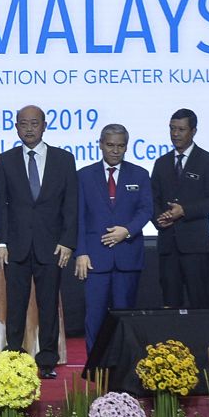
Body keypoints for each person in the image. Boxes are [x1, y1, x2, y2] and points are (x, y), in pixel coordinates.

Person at [0, 105, 77, 379]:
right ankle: (15, 357)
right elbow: (0, 205)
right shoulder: (6, 160)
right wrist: (2, 242)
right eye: (23, 124)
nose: (29, 129)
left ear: (44, 125)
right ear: (16, 127)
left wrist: (67, 241)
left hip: (51, 246)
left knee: (49, 305)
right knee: (15, 305)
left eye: (34, 123)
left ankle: (47, 359)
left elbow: (71, 205)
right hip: (16, 246)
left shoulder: (63, 159)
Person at [74, 124, 152, 353]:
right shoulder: (84, 175)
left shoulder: (140, 174)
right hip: (95, 259)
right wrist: (81, 252)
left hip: (127, 257)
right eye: (110, 145)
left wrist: (126, 231)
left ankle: (124, 367)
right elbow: (78, 217)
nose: (115, 150)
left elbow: (147, 210)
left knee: (126, 317)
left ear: (127, 146)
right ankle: (96, 367)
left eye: (120, 146)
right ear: (100, 144)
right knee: (95, 318)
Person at [151, 108, 209, 308]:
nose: (175, 134)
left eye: (181, 129)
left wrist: (184, 210)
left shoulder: (208, 161)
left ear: (193, 131)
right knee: (170, 300)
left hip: (194, 245)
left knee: (199, 299)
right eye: (172, 129)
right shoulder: (161, 163)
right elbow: (152, 198)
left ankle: (202, 339)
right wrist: (159, 218)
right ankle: (171, 339)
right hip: (167, 244)